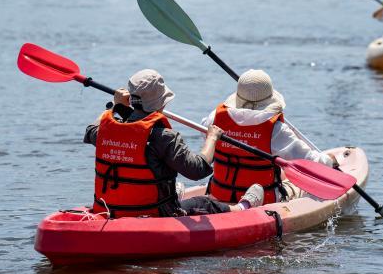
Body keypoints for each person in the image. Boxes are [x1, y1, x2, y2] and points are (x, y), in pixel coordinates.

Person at [84, 69, 265, 218]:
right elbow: (197, 169)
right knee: (205, 202)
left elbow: (90, 130)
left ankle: (173, 193)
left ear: (130, 99)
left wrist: (114, 107)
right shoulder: (164, 137)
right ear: (161, 102)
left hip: (111, 210)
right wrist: (212, 137)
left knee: (169, 184)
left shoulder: (105, 131)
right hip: (154, 213)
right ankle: (243, 207)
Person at [202, 69, 344, 205]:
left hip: (219, 194)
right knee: (300, 187)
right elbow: (309, 161)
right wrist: (330, 162)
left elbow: (206, 137)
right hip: (263, 200)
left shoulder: (214, 119)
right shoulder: (276, 130)